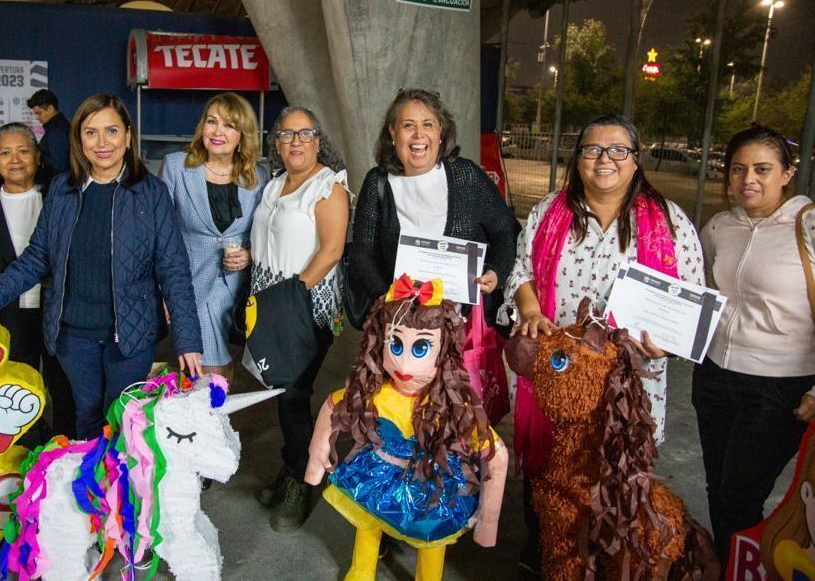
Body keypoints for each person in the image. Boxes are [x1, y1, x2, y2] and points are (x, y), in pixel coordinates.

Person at [503, 114, 704, 573]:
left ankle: (606, 561)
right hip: (558, 378)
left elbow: (691, 299)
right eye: (592, 149)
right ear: (578, 160)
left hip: (626, 383)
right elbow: (521, 271)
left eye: (618, 150)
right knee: (550, 469)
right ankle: (545, 553)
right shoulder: (548, 212)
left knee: (614, 473)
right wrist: (530, 309)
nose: (604, 159)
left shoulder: (670, 222)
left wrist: (666, 344)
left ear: (636, 161)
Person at [0, 94, 202, 439]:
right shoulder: (62, 190)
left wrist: (187, 340)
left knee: (124, 420)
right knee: (85, 415)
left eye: (111, 131)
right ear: (78, 139)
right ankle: (91, 491)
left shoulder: (151, 193)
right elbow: (37, 257)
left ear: (128, 136)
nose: (102, 143)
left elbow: (173, 269)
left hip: (130, 336)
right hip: (73, 337)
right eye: (90, 132)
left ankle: (121, 491)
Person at [305, 276, 507, 581]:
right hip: (378, 473)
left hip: (431, 484)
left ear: (445, 349)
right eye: (395, 344)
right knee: (368, 520)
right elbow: (333, 407)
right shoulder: (375, 393)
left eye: (422, 347)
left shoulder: (452, 408)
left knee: (432, 535)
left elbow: (495, 455)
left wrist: (488, 521)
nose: (403, 363)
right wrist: (316, 460)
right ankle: (361, 570)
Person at [694, 125, 815, 565]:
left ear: (788, 174)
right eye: (739, 169)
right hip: (714, 377)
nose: (750, 178)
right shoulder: (720, 227)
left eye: (763, 169)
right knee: (718, 488)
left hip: (779, 389)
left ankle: (737, 567)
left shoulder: (809, 228)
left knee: (741, 496)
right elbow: (699, 290)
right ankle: (734, 565)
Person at [249, 106, 350, 531]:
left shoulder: (328, 187)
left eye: (305, 133)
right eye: (287, 134)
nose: (296, 141)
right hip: (269, 303)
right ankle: (292, 467)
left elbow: (331, 251)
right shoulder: (273, 186)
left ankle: (303, 482)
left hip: (305, 304)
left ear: (317, 140)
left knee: (293, 394)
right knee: (281, 392)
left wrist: (291, 297)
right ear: (276, 143)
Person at [348, 88, 518, 326]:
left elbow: (505, 232)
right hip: (401, 326)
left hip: (464, 328)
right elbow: (361, 255)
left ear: (441, 132)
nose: (419, 135)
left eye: (428, 124)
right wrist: (389, 299)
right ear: (392, 132)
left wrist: (497, 272)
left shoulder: (466, 177)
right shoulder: (377, 183)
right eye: (408, 125)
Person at [0, 122, 75, 439]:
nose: (15, 159)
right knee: (16, 384)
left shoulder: (59, 195)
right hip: (8, 314)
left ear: (37, 156)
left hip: (56, 310)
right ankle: (27, 444)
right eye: (5, 153)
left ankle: (66, 447)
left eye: (23, 150)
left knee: (62, 384)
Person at [160, 92, 267, 383]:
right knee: (209, 369)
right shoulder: (176, 166)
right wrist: (164, 291)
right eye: (212, 122)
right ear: (202, 127)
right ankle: (211, 422)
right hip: (191, 284)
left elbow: (268, 230)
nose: (218, 131)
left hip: (237, 288)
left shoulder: (259, 175)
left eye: (229, 125)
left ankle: (213, 423)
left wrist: (250, 253)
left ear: (242, 135)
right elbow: (161, 234)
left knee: (219, 367)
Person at [27, 88, 71, 177]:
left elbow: (61, 168)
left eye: (39, 113)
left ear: (50, 109)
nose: (37, 117)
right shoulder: (60, 127)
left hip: (56, 187)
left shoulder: (57, 131)